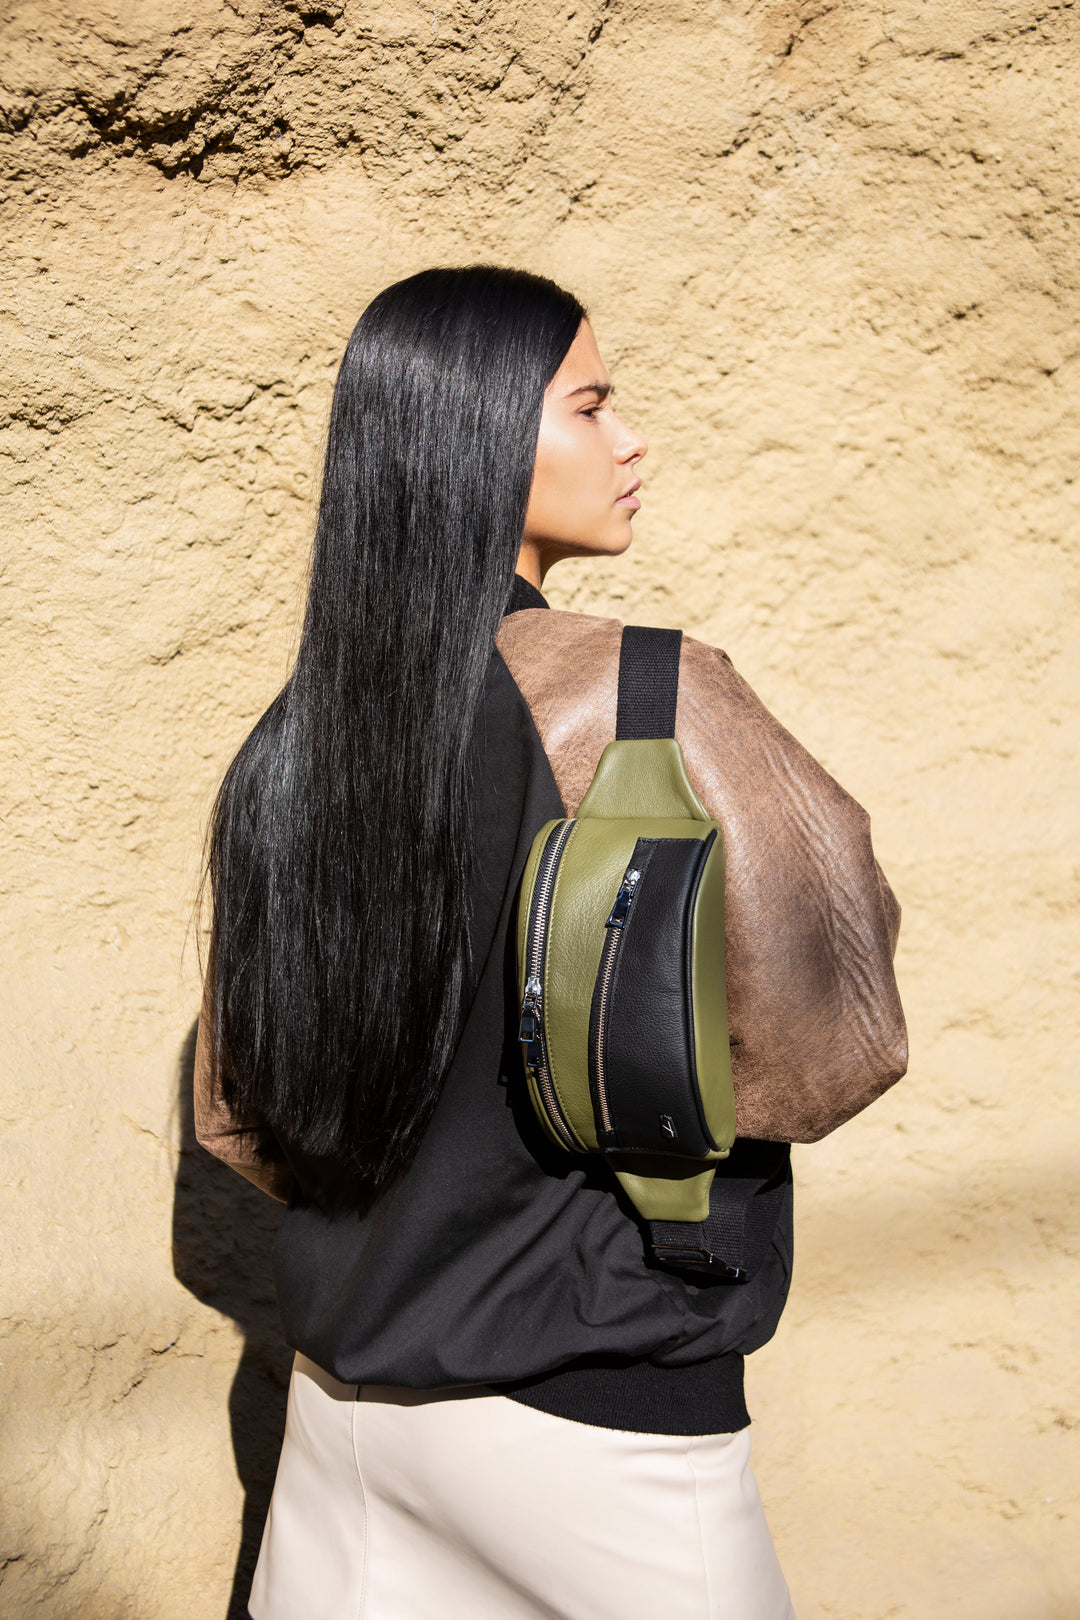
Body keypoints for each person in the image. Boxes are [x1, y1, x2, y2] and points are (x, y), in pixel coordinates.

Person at [194, 265, 907, 1620]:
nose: (631, 440)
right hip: (595, 1431)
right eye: (591, 405)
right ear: (472, 438)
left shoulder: (287, 748)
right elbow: (838, 1046)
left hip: (346, 1416)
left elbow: (240, 1121)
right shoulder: (646, 702)